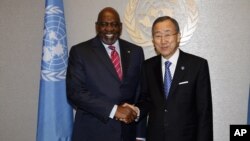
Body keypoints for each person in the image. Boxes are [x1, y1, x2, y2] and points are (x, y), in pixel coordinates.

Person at [66, 7, 145, 141]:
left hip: (127, 134)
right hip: (93, 133)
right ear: (97, 26)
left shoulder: (135, 51)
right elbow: (75, 93)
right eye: (104, 24)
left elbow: (140, 93)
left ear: (120, 27)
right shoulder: (80, 52)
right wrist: (114, 110)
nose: (109, 29)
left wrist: (140, 135)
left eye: (114, 24)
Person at [135, 16, 213, 141]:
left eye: (167, 34)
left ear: (178, 37)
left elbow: (204, 113)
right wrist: (136, 110)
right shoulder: (147, 66)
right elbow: (146, 100)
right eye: (158, 35)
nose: (163, 40)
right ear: (153, 40)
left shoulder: (197, 66)